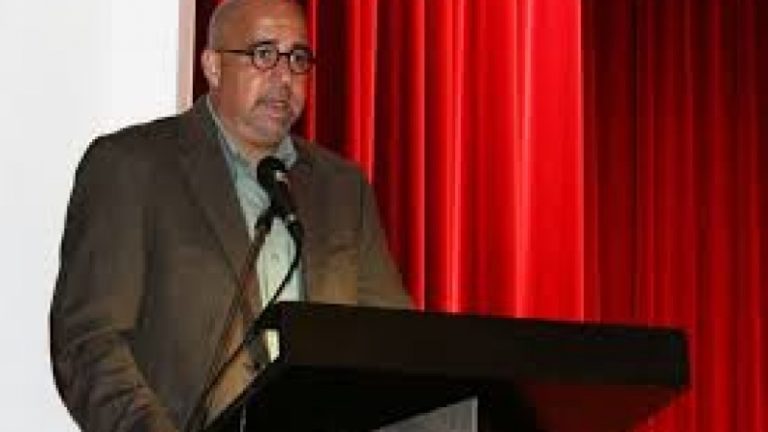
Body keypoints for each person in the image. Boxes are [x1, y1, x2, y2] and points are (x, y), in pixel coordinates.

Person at [49, 0, 412, 430]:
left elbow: (394, 344)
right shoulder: (131, 167)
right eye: (263, 54)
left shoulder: (342, 189)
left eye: (298, 58)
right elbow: (90, 343)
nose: (285, 77)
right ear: (213, 66)